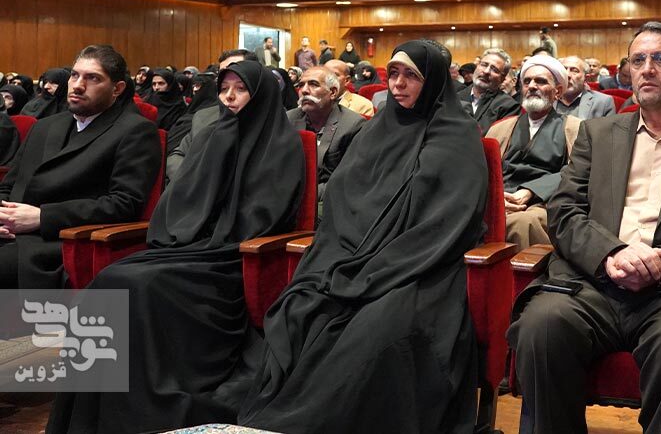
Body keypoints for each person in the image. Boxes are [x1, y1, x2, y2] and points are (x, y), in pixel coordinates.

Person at [508, 22, 661, 434]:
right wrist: (610, 254)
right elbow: (565, 212)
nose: (646, 69)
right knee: (541, 327)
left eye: (660, 59)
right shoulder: (597, 134)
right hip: (589, 284)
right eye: (637, 60)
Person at [238, 41, 487, 434]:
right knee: (304, 307)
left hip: (422, 263)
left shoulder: (457, 134)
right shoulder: (376, 129)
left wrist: (379, 265)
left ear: (433, 80)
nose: (398, 84)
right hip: (353, 254)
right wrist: (351, 257)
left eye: (411, 76)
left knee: (379, 329)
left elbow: (451, 218)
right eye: (394, 74)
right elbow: (343, 198)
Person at [47, 60, 305, 433]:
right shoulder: (212, 135)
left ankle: (135, 410)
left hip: (230, 256)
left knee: (137, 284)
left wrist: (212, 235)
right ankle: (89, 415)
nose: (229, 97)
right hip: (190, 246)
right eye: (224, 89)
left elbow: (266, 215)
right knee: (111, 278)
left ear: (261, 94)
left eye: (240, 89)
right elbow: (179, 203)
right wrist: (212, 163)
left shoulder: (281, 145)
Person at [0, 45, 160, 289]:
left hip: (62, 240)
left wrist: (42, 217)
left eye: (92, 78)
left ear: (117, 89)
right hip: (11, 233)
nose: (77, 85)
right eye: (74, 75)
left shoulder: (135, 131)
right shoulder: (44, 126)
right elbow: (10, 184)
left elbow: (124, 203)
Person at [486, 55, 581, 250]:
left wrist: (530, 191)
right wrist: (497, 197)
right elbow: (484, 172)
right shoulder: (500, 128)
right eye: (527, 81)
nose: (531, 86)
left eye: (540, 81)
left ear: (558, 91)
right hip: (502, 199)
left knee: (523, 223)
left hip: (545, 202)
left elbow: (577, 172)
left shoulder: (575, 128)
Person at [165, 49, 257, 184]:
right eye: (222, 74)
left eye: (240, 87)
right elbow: (176, 156)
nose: (229, 95)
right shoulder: (204, 116)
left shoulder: (271, 122)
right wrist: (193, 181)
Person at [287, 67, 366, 206]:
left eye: (313, 84)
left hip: (330, 200)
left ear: (333, 92)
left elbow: (348, 179)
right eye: (301, 85)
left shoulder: (353, 125)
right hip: (289, 195)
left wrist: (303, 195)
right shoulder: (289, 119)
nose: (304, 90)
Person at [457, 48, 521, 132]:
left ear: (502, 79)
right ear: (476, 67)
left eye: (495, 70)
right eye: (484, 65)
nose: (486, 71)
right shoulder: (454, 98)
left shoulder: (509, 106)